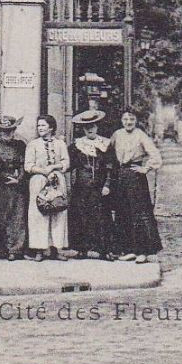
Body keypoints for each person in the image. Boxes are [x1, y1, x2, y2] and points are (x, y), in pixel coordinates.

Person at [108, 108, 164, 263]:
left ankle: (143, 252)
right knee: (123, 213)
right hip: (120, 176)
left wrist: (145, 168)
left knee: (139, 214)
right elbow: (108, 153)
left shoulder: (140, 135)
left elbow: (155, 155)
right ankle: (129, 249)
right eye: (125, 119)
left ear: (136, 121)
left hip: (136, 177)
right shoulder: (117, 135)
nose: (128, 122)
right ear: (121, 120)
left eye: (131, 119)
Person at [67, 110, 116, 260]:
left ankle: (103, 249)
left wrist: (107, 184)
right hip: (81, 186)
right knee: (82, 216)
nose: (90, 129)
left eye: (92, 126)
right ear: (82, 128)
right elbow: (69, 164)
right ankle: (83, 249)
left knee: (102, 216)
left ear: (97, 127)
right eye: (86, 126)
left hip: (100, 186)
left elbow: (111, 167)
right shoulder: (77, 145)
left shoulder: (106, 144)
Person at [24, 115, 70, 260]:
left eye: (43, 126)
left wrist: (54, 168)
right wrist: (44, 171)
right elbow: (28, 165)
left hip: (56, 180)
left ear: (51, 127)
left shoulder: (60, 144)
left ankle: (56, 249)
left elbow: (66, 162)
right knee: (39, 214)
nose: (40, 128)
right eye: (38, 126)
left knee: (57, 212)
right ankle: (39, 249)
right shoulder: (33, 144)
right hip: (39, 180)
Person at [0, 115, 29, 260]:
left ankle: (15, 250)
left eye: (9, 131)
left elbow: (24, 165)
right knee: (1, 216)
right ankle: (0, 250)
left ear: (14, 130)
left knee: (18, 216)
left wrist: (19, 179)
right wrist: (6, 178)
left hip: (18, 186)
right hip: (1, 186)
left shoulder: (21, 145)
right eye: (3, 131)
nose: (7, 134)